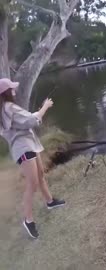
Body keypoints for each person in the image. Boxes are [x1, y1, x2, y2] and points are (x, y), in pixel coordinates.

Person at [0, 78, 65, 239]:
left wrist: (37, 113)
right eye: (12, 89)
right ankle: (28, 220)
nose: (14, 91)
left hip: (28, 145)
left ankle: (50, 202)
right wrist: (45, 107)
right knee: (32, 183)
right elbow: (31, 121)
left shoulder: (5, 108)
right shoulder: (9, 107)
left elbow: (26, 120)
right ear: (6, 93)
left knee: (41, 174)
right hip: (23, 148)